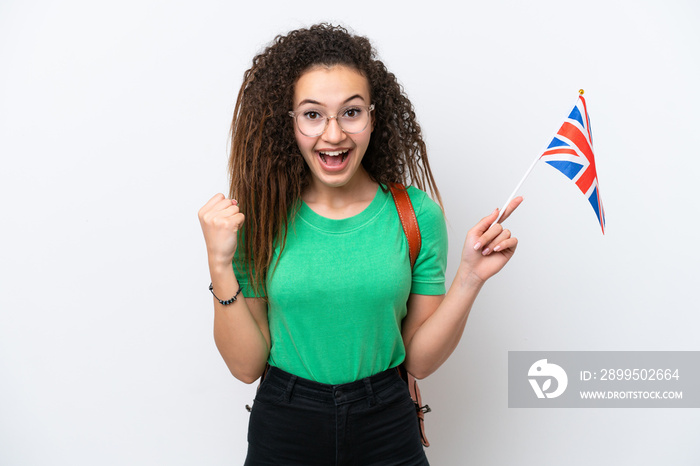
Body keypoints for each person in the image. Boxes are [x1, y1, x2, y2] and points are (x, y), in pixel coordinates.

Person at [198, 23, 522, 465]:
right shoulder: (261, 217)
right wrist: (220, 264)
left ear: (374, 116)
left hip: (386, 420)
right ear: (288, 123)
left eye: (351, 112)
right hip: (285, 421)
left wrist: (469, 277)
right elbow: (246, 366)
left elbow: (420, 362)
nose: (333, 135)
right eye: (312, 114)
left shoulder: (416, 216)